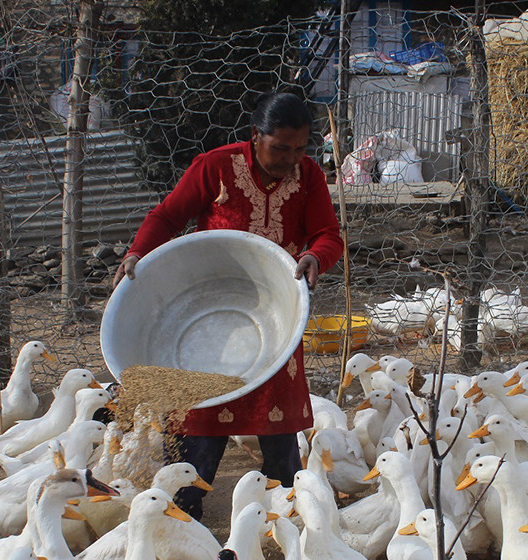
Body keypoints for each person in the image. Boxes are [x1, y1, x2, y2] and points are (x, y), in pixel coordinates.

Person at [113, 92, 343, 519]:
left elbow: (329, 233)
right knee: (196, 431)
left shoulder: (308, 175)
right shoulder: (214, 166)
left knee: (281, 443)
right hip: (209, 320)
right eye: (281, 148)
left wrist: (315, 256)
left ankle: (289, 526)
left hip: (276, 319)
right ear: (256, 136)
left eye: (300, 149)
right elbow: (166, 217)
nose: (291, 159)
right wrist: (137, 254)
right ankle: (179, 523)